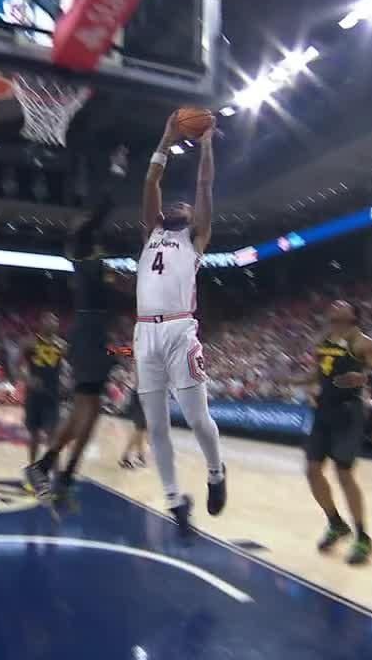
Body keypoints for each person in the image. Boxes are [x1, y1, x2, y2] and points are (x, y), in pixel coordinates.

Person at [134, 111, 226, 537]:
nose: (175, 204)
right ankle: (174, 500)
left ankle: (215, 468)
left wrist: (206, 145)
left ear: (191, 217)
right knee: (155, 425)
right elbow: (151, 183)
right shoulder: (152, 230)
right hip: (143, 333)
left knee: (196, 417)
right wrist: (166, 136)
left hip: (178, 331)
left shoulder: (197, 236)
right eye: (173, 204)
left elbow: (203, 187)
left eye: (182, 205)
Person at [25, 150, 129, 506]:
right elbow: (103, 208)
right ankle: (54, 469)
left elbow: (113, 289)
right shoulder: (84, 242)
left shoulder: (95, 261)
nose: (85, 220)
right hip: (87, 330)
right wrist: (115, 170)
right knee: (88, 407)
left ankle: (55, 470)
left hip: (94, 331)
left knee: (90, 409)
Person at [297, 300, 372, 566]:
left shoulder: (363, 343)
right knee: (312, 470)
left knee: (343, 473)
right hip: (323, 410)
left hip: (349, 412)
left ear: (353, 317)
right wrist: (300, 383)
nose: (336, 307)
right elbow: (318, 374)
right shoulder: (324, 340)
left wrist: (362, 379)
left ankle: (363, 537)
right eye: (333, 308)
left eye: (342, 308)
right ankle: (336, 523)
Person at [20, 312, 67, 466]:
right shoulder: (30, 343)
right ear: (41, 323)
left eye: (55, 321)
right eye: (49, 320)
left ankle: (56, 473)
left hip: (52, 395)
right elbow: (18, 365)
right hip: (33, 395)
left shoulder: (62, 345)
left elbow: (70, 366)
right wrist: (28, 378)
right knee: (34, 434)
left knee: (53, 436)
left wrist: (67, 381)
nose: (53, 323)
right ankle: (32, 469)